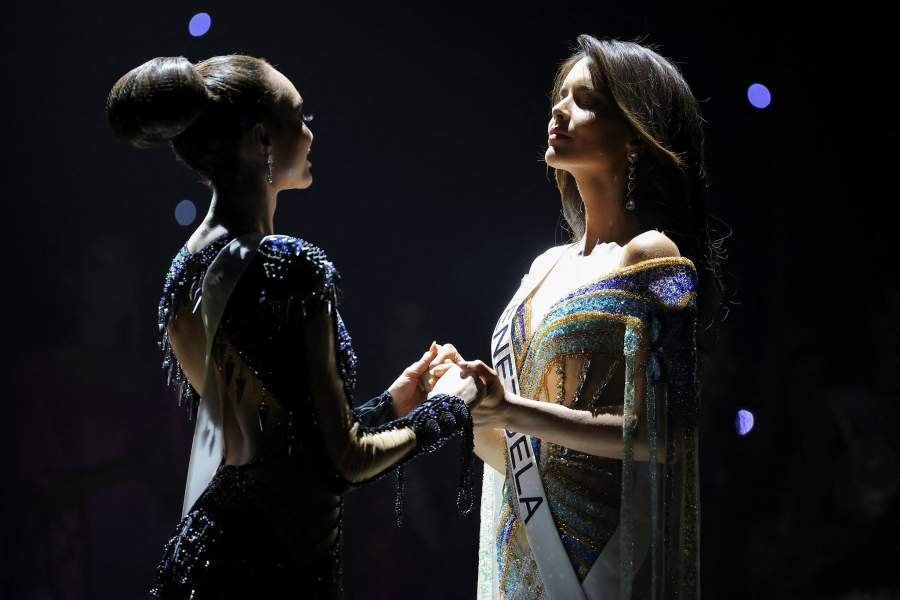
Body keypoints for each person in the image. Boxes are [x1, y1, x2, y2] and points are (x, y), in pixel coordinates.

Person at [105, 54, 481, 599]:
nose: (309, 133)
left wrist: (392, 405)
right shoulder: (288, 268)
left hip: (211, 552)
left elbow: (285, 447)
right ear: (262, 139)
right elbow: (343, 462)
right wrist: (452, 406)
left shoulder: (185, 268)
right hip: (271, 568)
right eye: (300, 117)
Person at [429, 35, 728, 599]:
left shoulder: (653, 256)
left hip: (603, 559)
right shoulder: (543, 267)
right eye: (559, 96)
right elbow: (520, 451)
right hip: (520, 551)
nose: (559, 109)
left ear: (635, 136)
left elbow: (668, 433)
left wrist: (509, 407)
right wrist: (462, 406)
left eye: (585, 100)